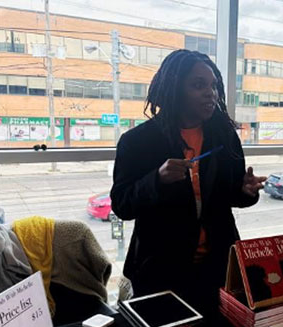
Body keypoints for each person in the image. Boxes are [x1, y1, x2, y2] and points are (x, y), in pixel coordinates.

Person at [111, 50, 265, 312]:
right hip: (160, 271)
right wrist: (156, 180)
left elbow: (232, 197)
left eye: (213, 85)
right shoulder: (137, 141)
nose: (210, 93)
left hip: (218, 267)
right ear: (174, 90)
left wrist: (246, 191)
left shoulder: (224, 135)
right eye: (198, 85)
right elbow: (122, 206)